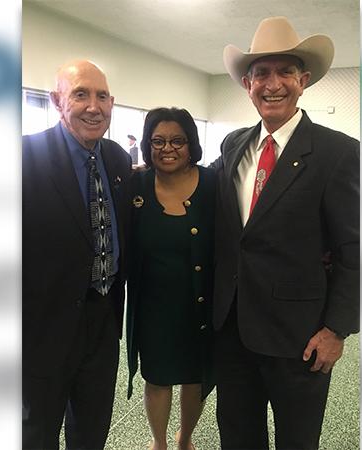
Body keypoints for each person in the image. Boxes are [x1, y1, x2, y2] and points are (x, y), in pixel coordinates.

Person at [211, 16, 360, 449]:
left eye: (284, 72)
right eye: (260, 73)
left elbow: (355, 249)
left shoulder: (338, 153)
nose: (271, 83)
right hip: (234, 329)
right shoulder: (233, 145)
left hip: (300, 337)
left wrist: (337, 330)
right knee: (237, 436)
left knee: (297, 440)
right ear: (247, 83)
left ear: (303, 80)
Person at [22, 59, 132, 450]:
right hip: (41, 328)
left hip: (102, 323)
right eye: (80, 94)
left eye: (102, 96)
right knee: (37, 432)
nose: (93, 106)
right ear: (56, 100)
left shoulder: (118, 160)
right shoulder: (23, 157)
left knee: (91, 428)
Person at [126, 107, 215, 450]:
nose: (168, 148)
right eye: (158, 140)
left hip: (200, 302)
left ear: (191, 144)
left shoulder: (212, 185)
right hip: (153, 306)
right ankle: (159, 442)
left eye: (178, 140)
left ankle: (185, 438)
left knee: (195, 378)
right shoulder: (135, 185)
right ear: (148, 145)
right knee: (158, 379)